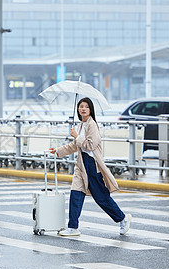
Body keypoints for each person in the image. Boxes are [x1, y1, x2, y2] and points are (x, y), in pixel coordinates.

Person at [49, 97, 132, 236]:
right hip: (81, 165)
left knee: (101, 198)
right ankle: (73, 227)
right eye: (81, 106)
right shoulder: (81, 125)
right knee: (76, 193)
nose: (83, 109)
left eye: (86, 106)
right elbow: (74, 146)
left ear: (90, 109)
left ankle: (122, 218)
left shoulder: (92, 125)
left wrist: (76, 136)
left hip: (92, 165)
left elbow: (89, 145)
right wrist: (58, 151)